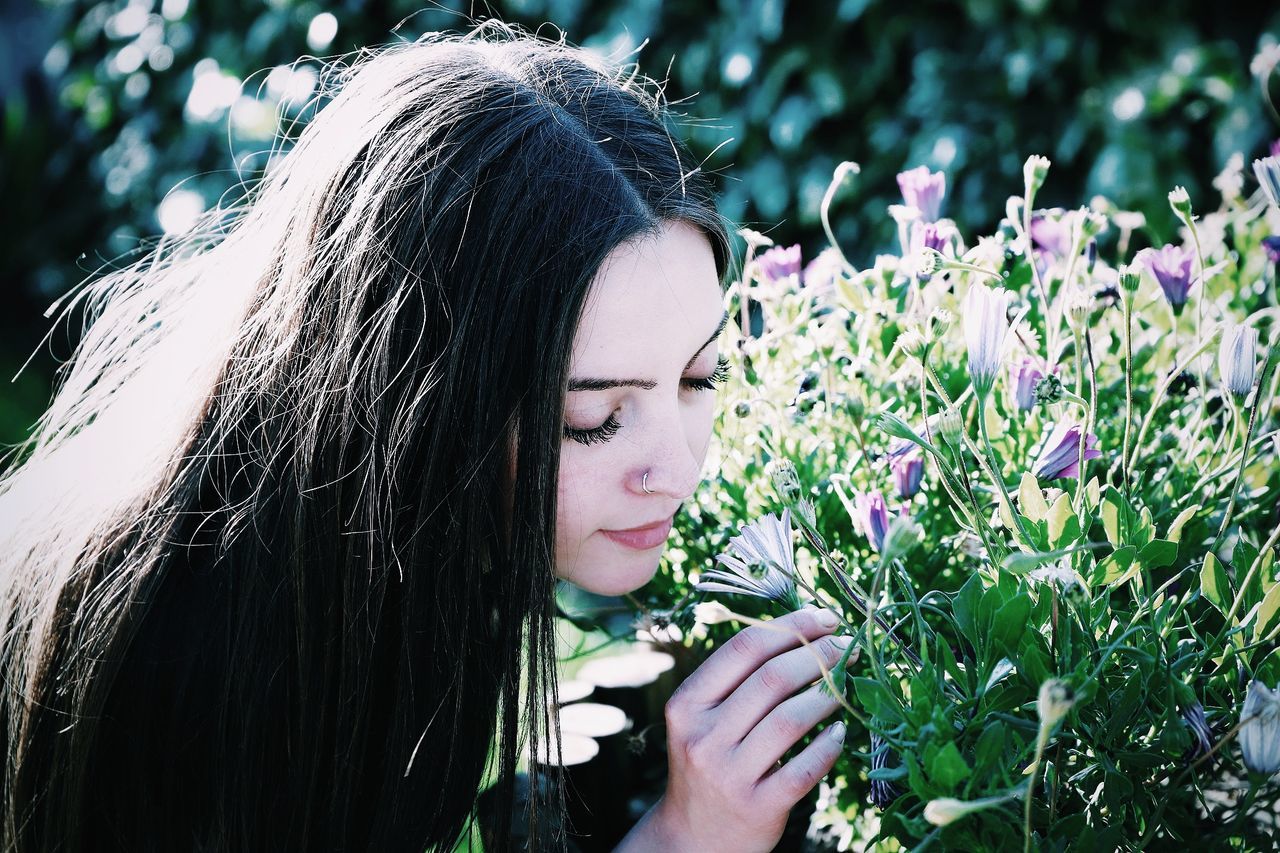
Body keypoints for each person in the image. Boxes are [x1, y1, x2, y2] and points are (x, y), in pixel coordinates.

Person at [0, 21, 847, 852]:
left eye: (700, 380)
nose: (677, 470)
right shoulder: (215, 672)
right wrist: (691, 837)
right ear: (424, 398)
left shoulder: (374, 555)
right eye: (592, 419)